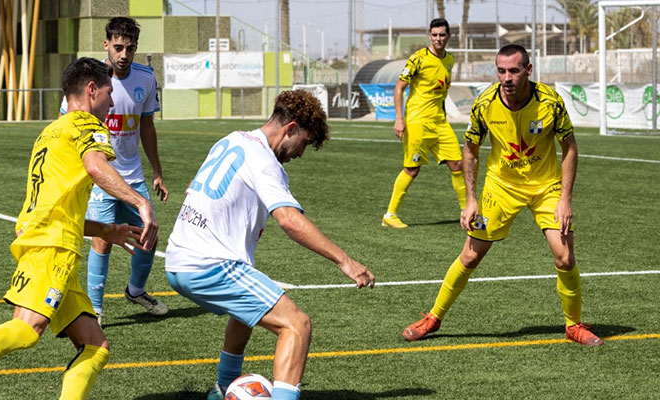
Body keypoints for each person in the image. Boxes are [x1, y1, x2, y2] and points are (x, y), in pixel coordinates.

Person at [0, 57, 160, 400]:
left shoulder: (50, 132)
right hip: (53, 249)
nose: (112, 103)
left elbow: (56, 207)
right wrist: (141, 203)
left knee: (96, 347)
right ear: (92, 89)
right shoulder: (86, 125)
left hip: (49, 241)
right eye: (109, 93)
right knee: (25, 329)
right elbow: (96, 166)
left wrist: (106, 231)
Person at [164, 90, 376, 400]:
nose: (300, 154)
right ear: (290, 129)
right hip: (207, 264)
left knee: (248, 306)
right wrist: (345, 260)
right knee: (297, 325)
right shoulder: (265, 161)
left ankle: (224, 387)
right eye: (303, 142)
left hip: (178, 258)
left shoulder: (233, 139)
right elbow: (288, 219)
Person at [401, 44, 602, 347]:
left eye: (514, 70)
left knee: (564, 257)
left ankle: (573, 325)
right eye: (501, 71)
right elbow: (469, 150)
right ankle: (433, 317)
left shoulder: (550, 101)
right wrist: (471, 199)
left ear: (528, 70)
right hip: (501, 188)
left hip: (545, 187)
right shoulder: (485, 103)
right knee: (470, 255)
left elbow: (569, 147)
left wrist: (565, 199)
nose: (507, 77)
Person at [60, 17, 169, 322]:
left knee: (149, 235)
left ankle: (135, 291)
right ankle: (94, 309)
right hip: (98, 176)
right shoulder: (87, 79)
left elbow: (146, 126)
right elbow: (66, 126)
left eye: (130, 48)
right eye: (118, 47)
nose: (124, 54)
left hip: (132, 176)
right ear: (106, 44)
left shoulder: (146, 79)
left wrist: (157, 171)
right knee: (103, 239)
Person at [382, 18, 465, 229]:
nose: (439, 38)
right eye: (435, 35)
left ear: (448, 36)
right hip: (417, 121)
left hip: (439, 121)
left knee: (458, 164)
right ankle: (390, 215)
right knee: (412, 168)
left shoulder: (450, 60)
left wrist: (443, 116)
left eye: (442, 35)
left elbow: (441, 93)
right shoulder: (418, 59)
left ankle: (467, 213)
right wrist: (399, 119)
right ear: (430, 35)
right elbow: (399, 88)